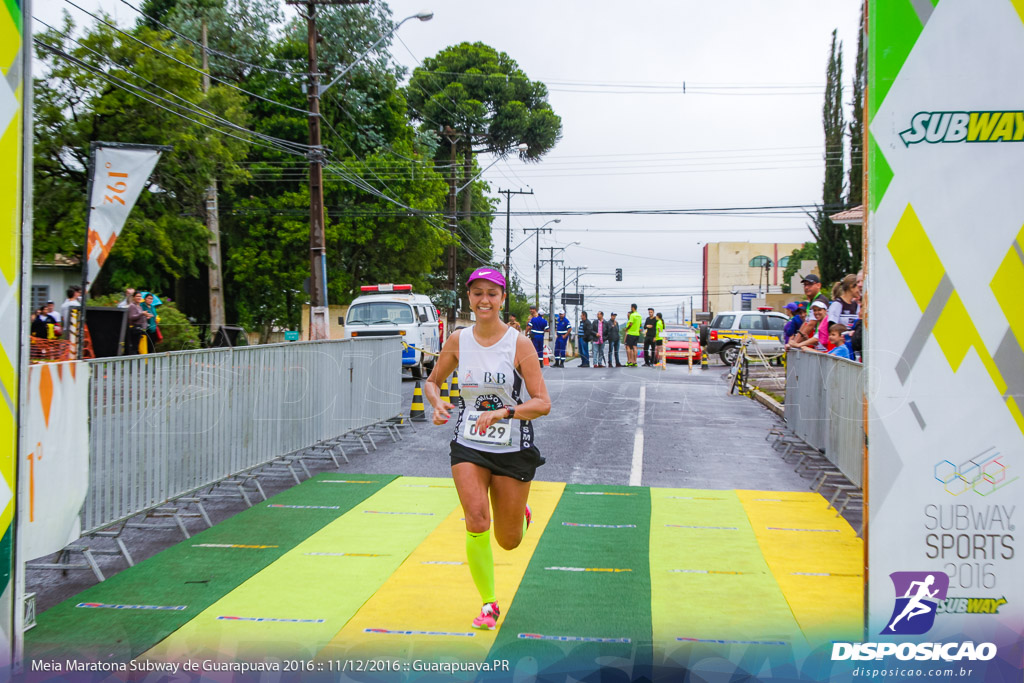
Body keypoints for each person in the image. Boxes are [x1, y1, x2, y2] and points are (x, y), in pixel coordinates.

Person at [424, 267, 551, 631]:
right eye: (477, 293)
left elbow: (542, 403)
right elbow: (432, 382)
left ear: (501, 299)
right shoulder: (458, 340)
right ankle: (489, 604)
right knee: (476, 518)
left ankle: (520, 514)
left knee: (508, 541)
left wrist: (505, 411)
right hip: (469, 443)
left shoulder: (519, 344)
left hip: (512, 445)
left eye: (492, 294)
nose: (484, 300)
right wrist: (436, 404)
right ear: (469, 297)